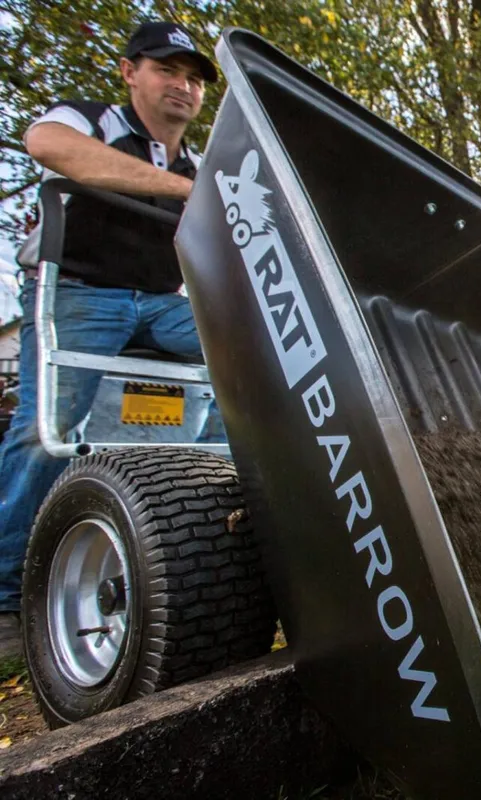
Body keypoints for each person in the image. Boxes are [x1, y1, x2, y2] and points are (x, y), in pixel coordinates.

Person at [0, 21, 222, 660]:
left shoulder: (203, 162)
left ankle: (212, 532)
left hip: (163, 304)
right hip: (79, 290)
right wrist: (184, 191)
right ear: (130, 73)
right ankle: (5, 599)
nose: (181, 85)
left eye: (192, 78)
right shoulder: (91, 121)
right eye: (165, 70)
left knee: (249, 373)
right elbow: (43, 143)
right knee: (47, 432)